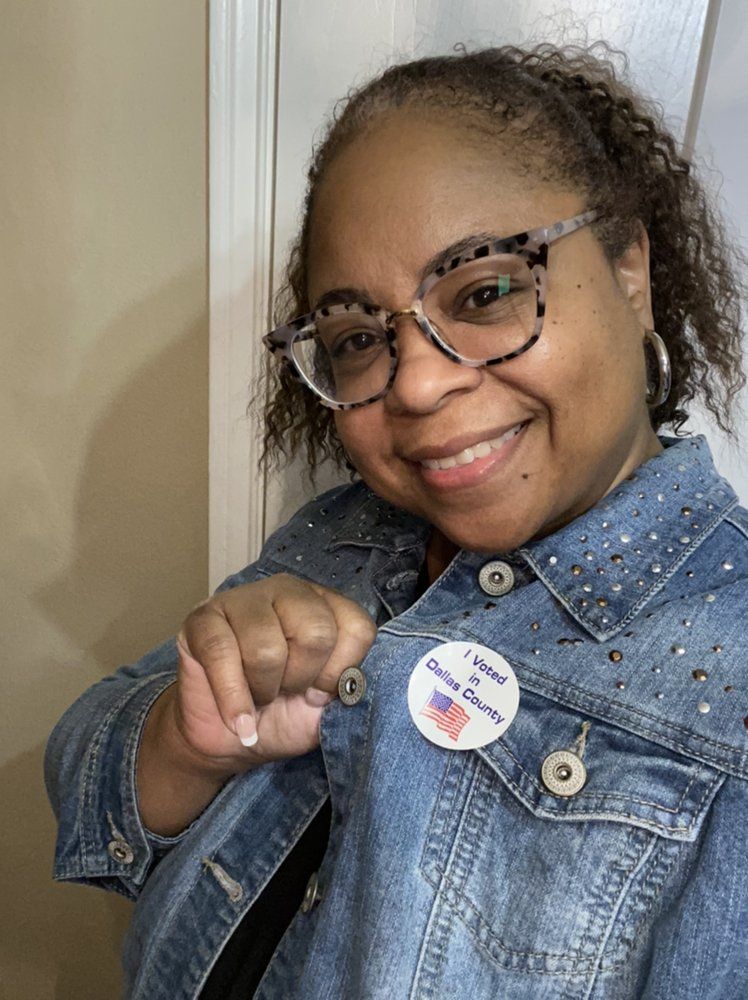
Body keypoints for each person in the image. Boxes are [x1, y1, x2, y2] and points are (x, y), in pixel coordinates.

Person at [45, 42, 748, 1000]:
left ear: (630, 270)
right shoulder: (341, 535)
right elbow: (85, 772)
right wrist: (184, 738)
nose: (414, 382)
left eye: (488, 290)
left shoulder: (730, 681)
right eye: (360, 338)